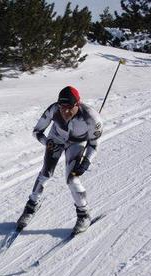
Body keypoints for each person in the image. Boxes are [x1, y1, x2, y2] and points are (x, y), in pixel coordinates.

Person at [17, 86, 103, 234]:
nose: (65, 111)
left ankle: (84, 215)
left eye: (70, 107)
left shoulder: (92, 118)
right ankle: (31, 206)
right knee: (45, 173)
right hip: (56, 139)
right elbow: (37, 131)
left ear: (78, 104)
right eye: (62, 107)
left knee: (72, 180)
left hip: (76, 143)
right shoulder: (53, 109)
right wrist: (47, 143)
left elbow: (94, 144)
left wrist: (87, 161)